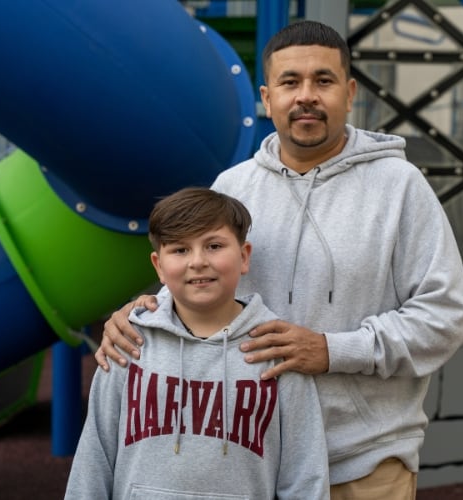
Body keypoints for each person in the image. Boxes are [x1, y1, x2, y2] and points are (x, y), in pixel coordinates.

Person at [96, 20, 463, 499]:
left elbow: (447, 317)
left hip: (359, 461)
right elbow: (194, 288)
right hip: (244, 461)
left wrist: (334, 351)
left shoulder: (400, 188)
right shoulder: (232, 187)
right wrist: (137, 316)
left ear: (350, 92)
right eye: (291, 82)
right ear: (268, 97)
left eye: (324, 80)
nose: (306, 96)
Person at [65, 187, 330, 499]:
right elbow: (94, 460)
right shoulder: (128, 343)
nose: (198, 262)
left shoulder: (278, 349)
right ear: (158, 265)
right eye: (180, 250)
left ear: (244, 256)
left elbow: (304, 476)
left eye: (214, 246)